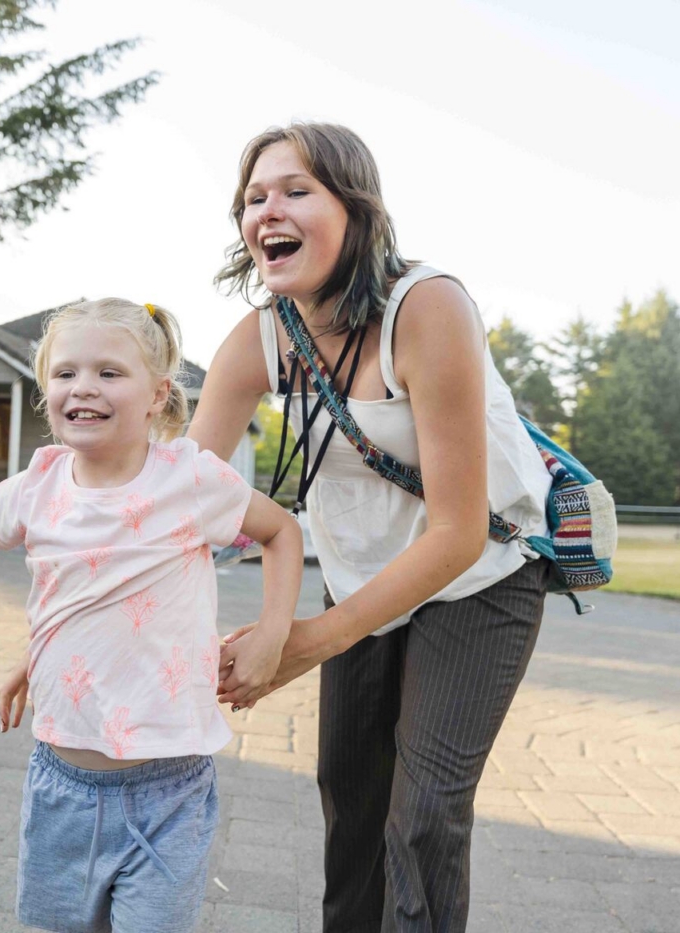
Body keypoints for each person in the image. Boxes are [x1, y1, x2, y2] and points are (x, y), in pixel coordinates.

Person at [193, 123, 555, 933]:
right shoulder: (261, 338)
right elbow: (179, 500)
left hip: (481, 577)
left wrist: (309, 638)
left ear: (355, 209)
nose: (267, 211)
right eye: (253, 198)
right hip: (360, 579)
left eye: (294, 190)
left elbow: (459, 531)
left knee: (423, 812)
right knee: (350, 803)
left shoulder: (426, 307)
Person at [0, 298, 304, 933]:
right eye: (66, 372)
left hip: (171, 789)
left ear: (159, 394)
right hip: (63, 785)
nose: (83, 387)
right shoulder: (36, 487)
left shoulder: (190, 480)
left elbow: (283, 533)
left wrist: (273, 631)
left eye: (109, 372)